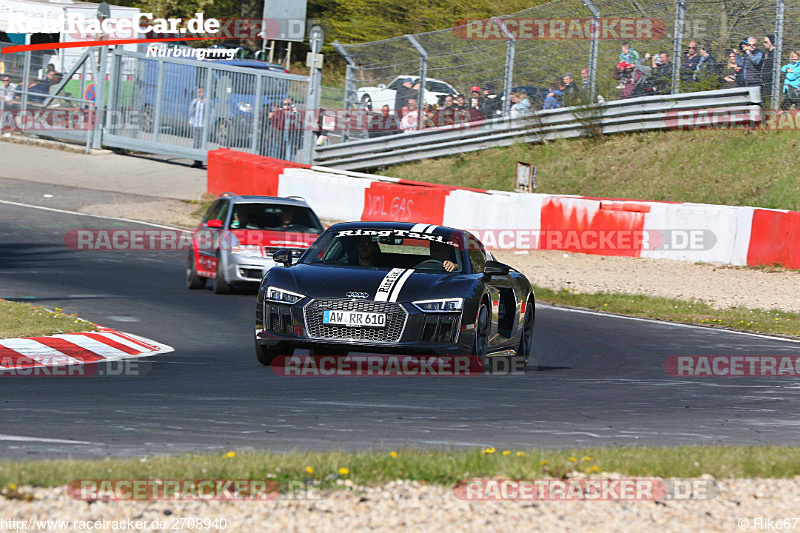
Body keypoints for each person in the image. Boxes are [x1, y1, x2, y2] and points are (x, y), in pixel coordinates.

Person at [188, 87, 207, 168]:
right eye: (198, 92)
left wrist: (208, 123)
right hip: (196, 124)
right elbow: (191, 112)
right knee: (195, 143)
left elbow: (210, 113)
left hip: (203, 125)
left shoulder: (207, 102)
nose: (199, 94)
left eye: (201, 92)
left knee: (201, 144)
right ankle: (196, 161)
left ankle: (200, 161)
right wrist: (190, 121)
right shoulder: (195, 102)